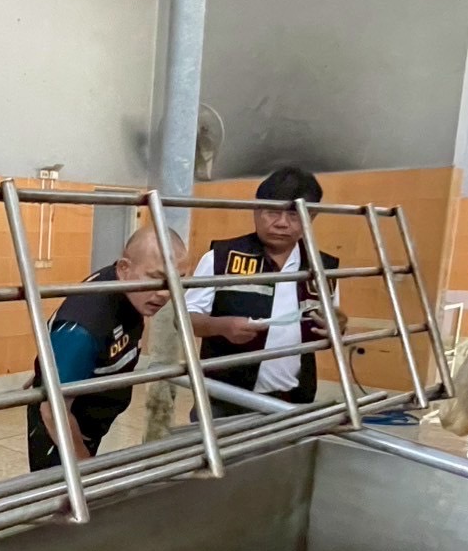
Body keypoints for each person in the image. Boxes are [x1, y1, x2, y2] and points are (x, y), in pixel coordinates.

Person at [185, 166, 346, 417]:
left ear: (311, 217)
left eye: (294, 215)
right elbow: (184, 319)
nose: (282, 223)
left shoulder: (322, 268)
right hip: (223, 396)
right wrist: (221, 326)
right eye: (273, 212)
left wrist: (337, 326)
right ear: (256, 210)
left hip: (293, 398)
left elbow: (331, 322)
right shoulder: (221, 258)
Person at [27, 225, 186, 471]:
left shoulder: (133, 294)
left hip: (90, 422)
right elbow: (52, 412)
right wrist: (86, 467)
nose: (166, 293)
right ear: (124, 269)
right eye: (156, 278)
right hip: (60, 431)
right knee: (62, 491)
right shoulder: (84, 328)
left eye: (178, 280)